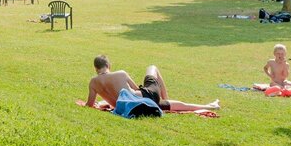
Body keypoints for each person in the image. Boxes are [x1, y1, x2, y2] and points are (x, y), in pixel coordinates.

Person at [85, 55, 219, 112]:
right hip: (145, 98)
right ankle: (165, 98)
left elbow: (90, 104)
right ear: (109, 65)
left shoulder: (93, 82)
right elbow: (136, 89)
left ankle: (210, 106)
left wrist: (105, 103)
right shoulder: (120, 73)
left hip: (132, 107)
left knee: (175, 106)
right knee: (152, 68)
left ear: (95, 68)